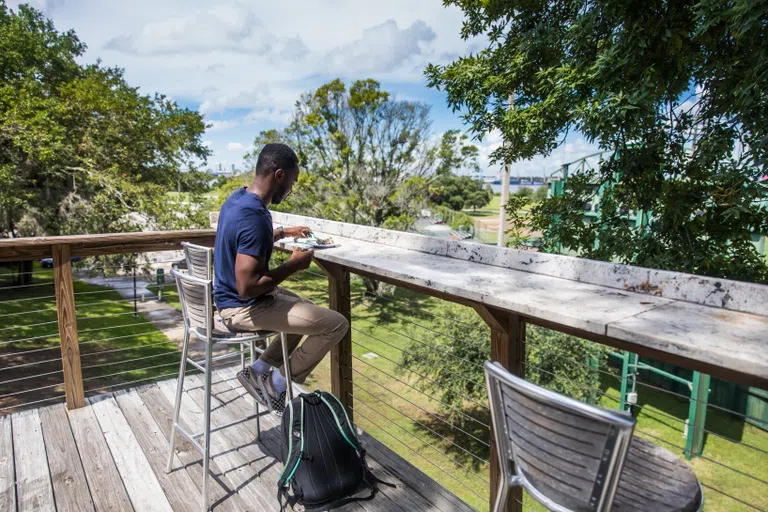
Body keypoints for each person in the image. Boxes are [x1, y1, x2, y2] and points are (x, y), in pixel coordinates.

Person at [213, 143, 349, 413]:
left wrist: (285, 232)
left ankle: (259, 368)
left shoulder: (238, 200)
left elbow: (246, 241)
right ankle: (278, 383)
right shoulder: (254, 216)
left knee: (305, 303)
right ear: (278, 175)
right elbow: (248, 287)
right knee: (336, 324)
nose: (291, 189)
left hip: (229, 299)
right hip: (241, 307)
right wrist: (293, 265)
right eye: (292, 181)